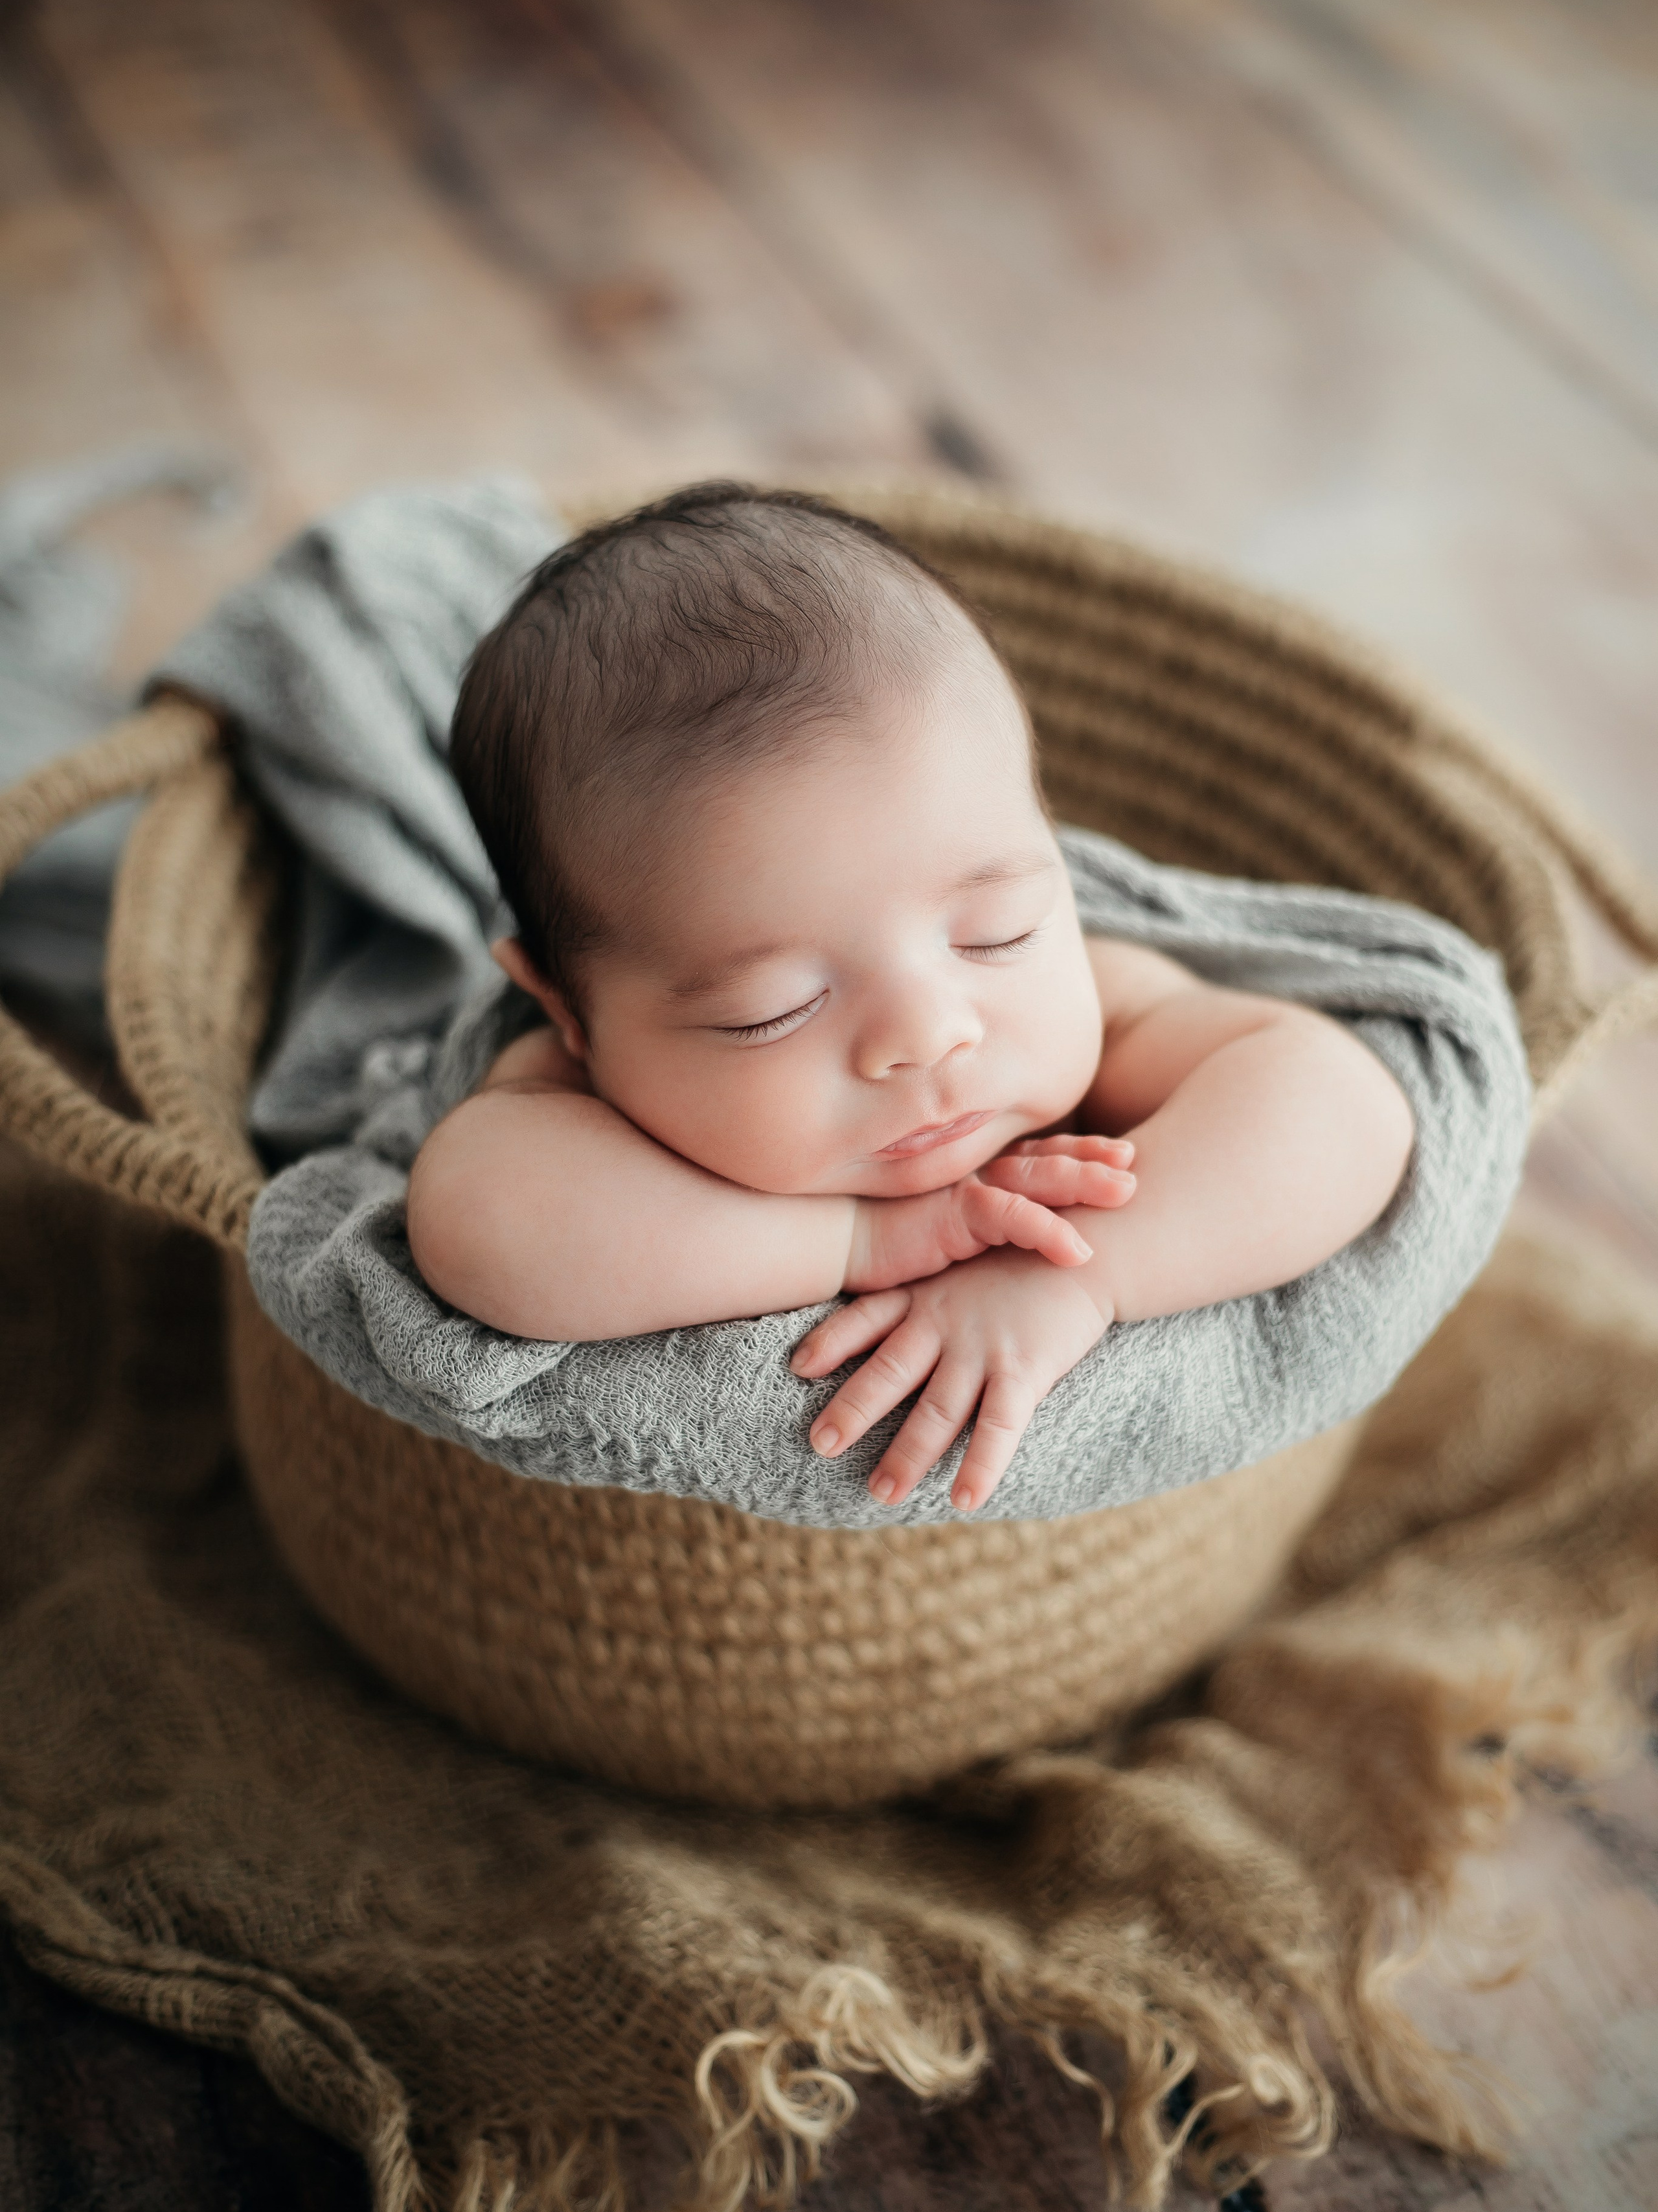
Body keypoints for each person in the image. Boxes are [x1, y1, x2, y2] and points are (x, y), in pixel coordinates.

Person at [407, 485, 1414, 1514]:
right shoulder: (564, 1099)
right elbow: (476, 1223)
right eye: (773, 1008)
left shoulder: (1102, 1014)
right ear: (571, 1013)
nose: (930, 1033)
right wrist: (862, 1242)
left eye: (997, 931)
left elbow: (1342, 1104)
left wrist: (1083, 1274)